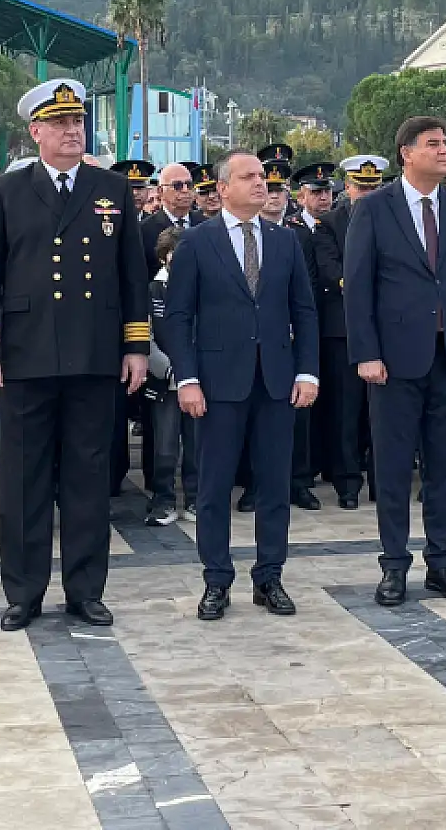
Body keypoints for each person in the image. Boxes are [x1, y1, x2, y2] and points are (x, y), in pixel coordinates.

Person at [0, 79, 149, 631]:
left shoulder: (111, 188)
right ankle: (23, 592)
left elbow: (131, 275)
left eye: (79, 123)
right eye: (61, 124)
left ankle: (85, 589)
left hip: (95, 352)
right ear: (36, 132)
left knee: (88, 477)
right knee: (23, 480)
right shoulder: (10, 188)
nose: (73, 132)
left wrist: (136, 345)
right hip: (26, 355)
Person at [345, 117, 446, 608]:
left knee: (445, 466)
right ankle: (393, 567)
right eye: (433, 144)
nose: (444, 151)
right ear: (406, 153)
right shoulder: (374, 210)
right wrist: (365, 353)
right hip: (393, 361)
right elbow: (359, 288)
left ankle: (442, 563)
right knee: (391, 468)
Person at [164, 150, 318, 620]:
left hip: (275, 382)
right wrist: (187, 378)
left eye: (264, 177)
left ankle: (269, 577)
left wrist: (307, 371)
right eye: (249, 176)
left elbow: (304, 312)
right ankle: (216, 580)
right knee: (213, 489)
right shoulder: (195, 242)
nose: (261, 183)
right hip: (216, 384)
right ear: (222, 188)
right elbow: (177, 317)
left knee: (274, 485)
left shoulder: (284, 241)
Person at [309, 155, 388, 510]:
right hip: (343, 329)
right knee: (346, 410)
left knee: (384, 413)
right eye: (361, 187)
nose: (368, 193)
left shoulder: (392, 218)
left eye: (374, 187)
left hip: (388, 327)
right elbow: (330, 271)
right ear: (348, 187)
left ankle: (381, 480)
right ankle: (347, 482)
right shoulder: (329, 224)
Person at [144, 226, 197, 524]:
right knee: (165, 447)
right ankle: (163, 500)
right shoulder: (153, 290)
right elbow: (146, 336)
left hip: (197, 380)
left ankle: (195, 499)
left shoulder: (201, 288)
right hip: (165, 382)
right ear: (165, 257)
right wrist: (168, 368)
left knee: (196, 444)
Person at [139, 161, 203, 276]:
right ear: (160, 191)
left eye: (189, 185)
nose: (185, 190)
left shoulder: (205, 224)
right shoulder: (144, 231)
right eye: (177, 186)